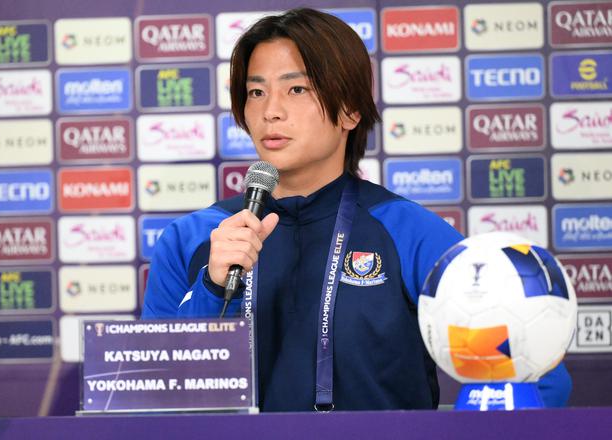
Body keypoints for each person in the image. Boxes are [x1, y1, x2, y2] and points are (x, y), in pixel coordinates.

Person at [142, 8, 571, 411]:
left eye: (296, 89)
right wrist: (213, 287)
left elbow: (531, 376)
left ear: (349, 110)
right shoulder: (193, 238)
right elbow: (150, 392)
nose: (270, 111)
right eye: (256, 92)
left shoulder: (410, 232)